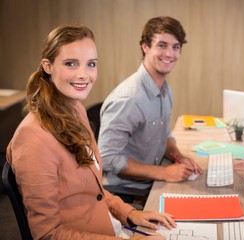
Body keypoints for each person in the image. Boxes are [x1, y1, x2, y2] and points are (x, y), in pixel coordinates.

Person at [6, 24, 175, 239]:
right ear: (48, 66)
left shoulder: (75, 109)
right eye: (71, 64)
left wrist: (130, 212)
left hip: (108, 223)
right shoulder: (33, 138)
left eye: (91, 64)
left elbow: (91, 189)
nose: (84, 75)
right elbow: (47, 234)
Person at [98, 16, 202, 203]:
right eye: (162, 45)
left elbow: (165, 137)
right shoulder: (129, 99)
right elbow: (107, 158)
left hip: (153, 181)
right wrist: (165, 173)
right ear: (145, 46)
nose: (170, 53)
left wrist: (178, 157)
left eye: (175, 47)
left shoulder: (165, 90)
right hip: (128, 192)